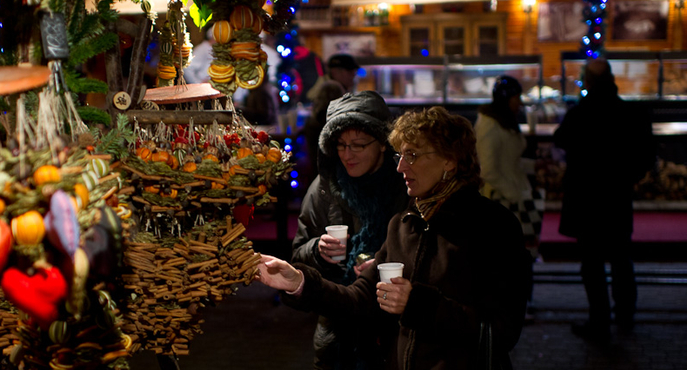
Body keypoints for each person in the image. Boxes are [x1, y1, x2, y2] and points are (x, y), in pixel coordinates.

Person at [259, 107, 531, 370]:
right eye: (400, 155)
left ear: (450, 159)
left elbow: (503, 331)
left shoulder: (493, 226)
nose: (400, 167)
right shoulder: (404, 224)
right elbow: (358, 300)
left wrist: (417, 304)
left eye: (412, 155)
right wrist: (300, 283)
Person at [292, 91, 409, 370]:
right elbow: (297, 255)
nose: (347, 155)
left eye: (358, 145)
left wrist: (385, 265)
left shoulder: (407, 185)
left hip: (396, 332)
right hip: (337, 333)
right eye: (341, 145)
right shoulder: (324, 188)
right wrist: (317, 251)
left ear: (382, 143)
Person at [554, 58, 656, 342]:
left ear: (588, 81)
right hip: (617, 198)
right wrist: (629, 177)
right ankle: (626, 313)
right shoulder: (631, 113)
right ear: (611, 79)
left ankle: (599, 321)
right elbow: (648, 155)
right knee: (622, 257)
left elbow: (560, 139)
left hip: (586, 201)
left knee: (592, 263)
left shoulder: (580, 113)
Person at [474, 75, 544, 320]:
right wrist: (516, 195)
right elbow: (489, 170)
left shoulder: (503, 121)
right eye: (516, 98)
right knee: (509, 257)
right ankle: (512, 307)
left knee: (520, 255)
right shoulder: (491, 125)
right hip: (503, 202)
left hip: (515, 197)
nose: (519, 103)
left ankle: (522, 303)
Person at [304, 54, 360, 179]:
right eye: (350, 71)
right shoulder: (332, 88)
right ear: (336, 71)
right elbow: (328, 121)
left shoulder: (332, 86)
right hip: (328, 162)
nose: (354, 74)